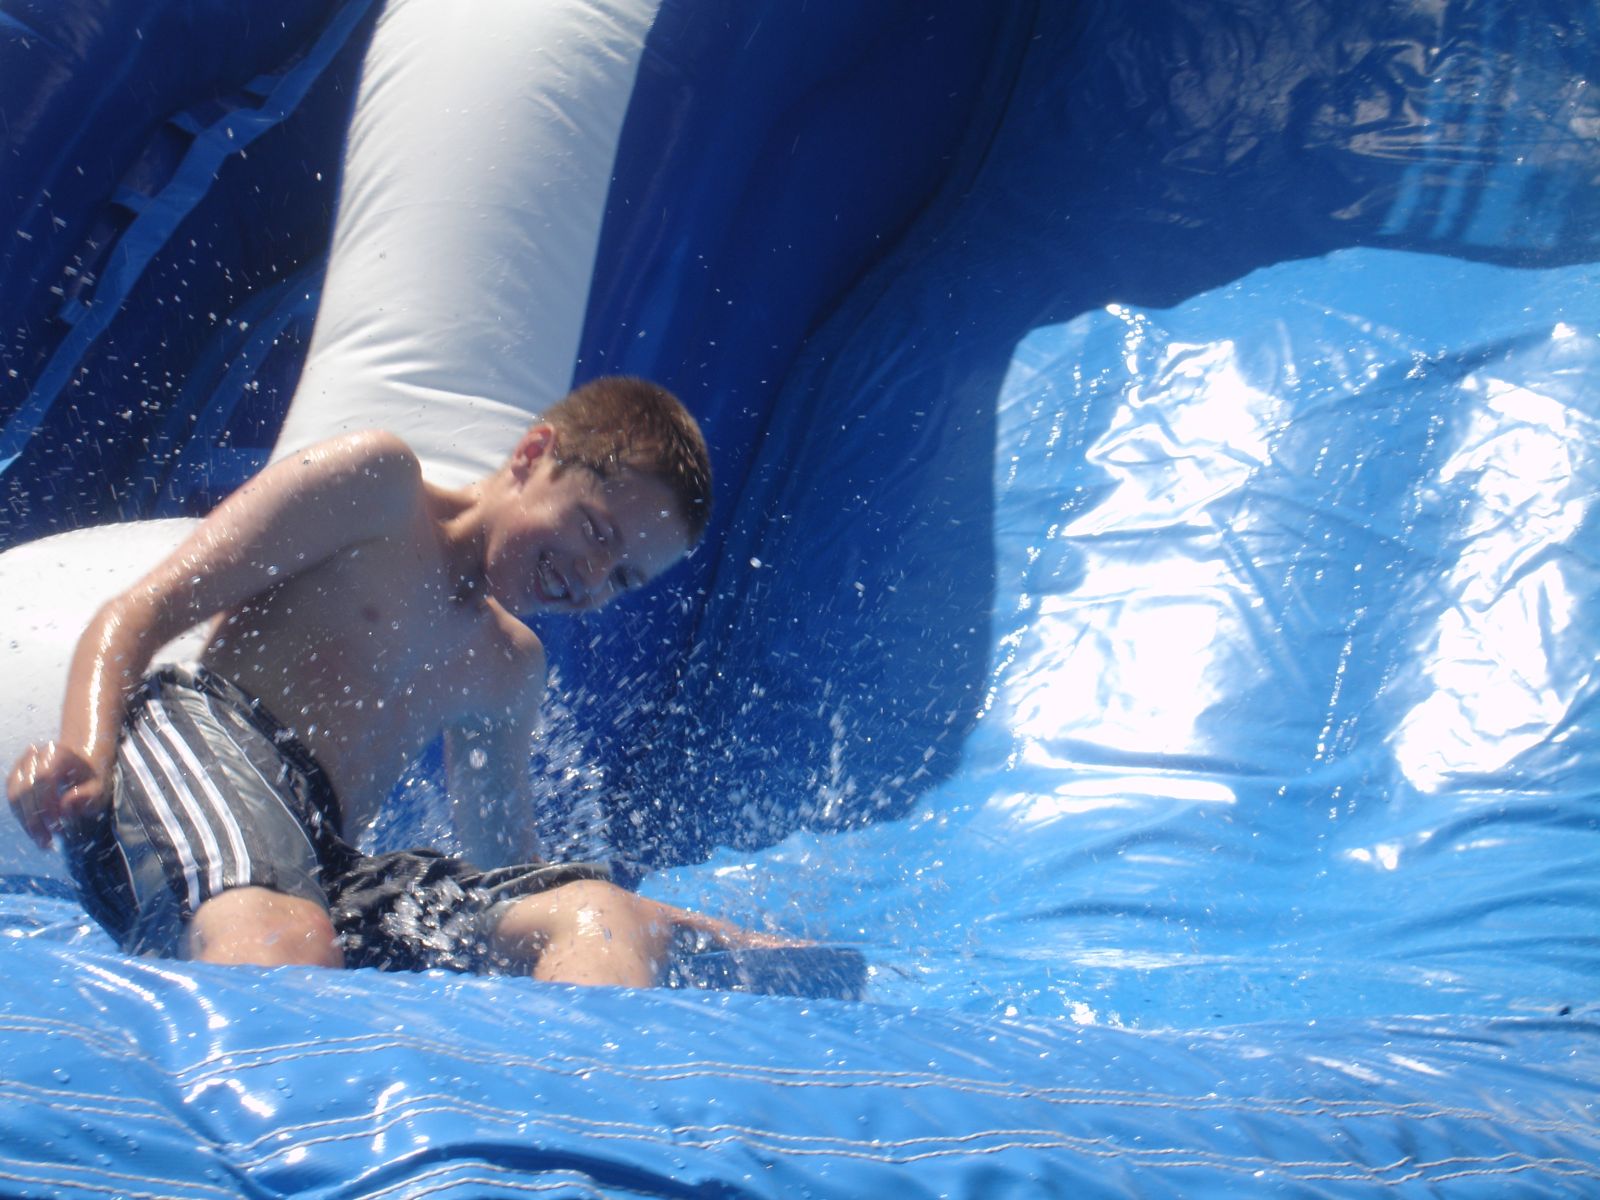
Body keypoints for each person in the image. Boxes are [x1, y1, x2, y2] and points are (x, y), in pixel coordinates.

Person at [6, 375, 792, 986]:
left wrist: (632, 913)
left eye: (620, 576)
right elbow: (140, 611)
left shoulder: (509, 667)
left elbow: (503, 868)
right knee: (290, 944)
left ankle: (551, 1153)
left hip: (316, 863)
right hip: (193, 754)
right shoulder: (375, 486)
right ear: (531, 457)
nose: (588, 576)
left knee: (592, 914)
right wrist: (89, 751)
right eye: (593, 529)